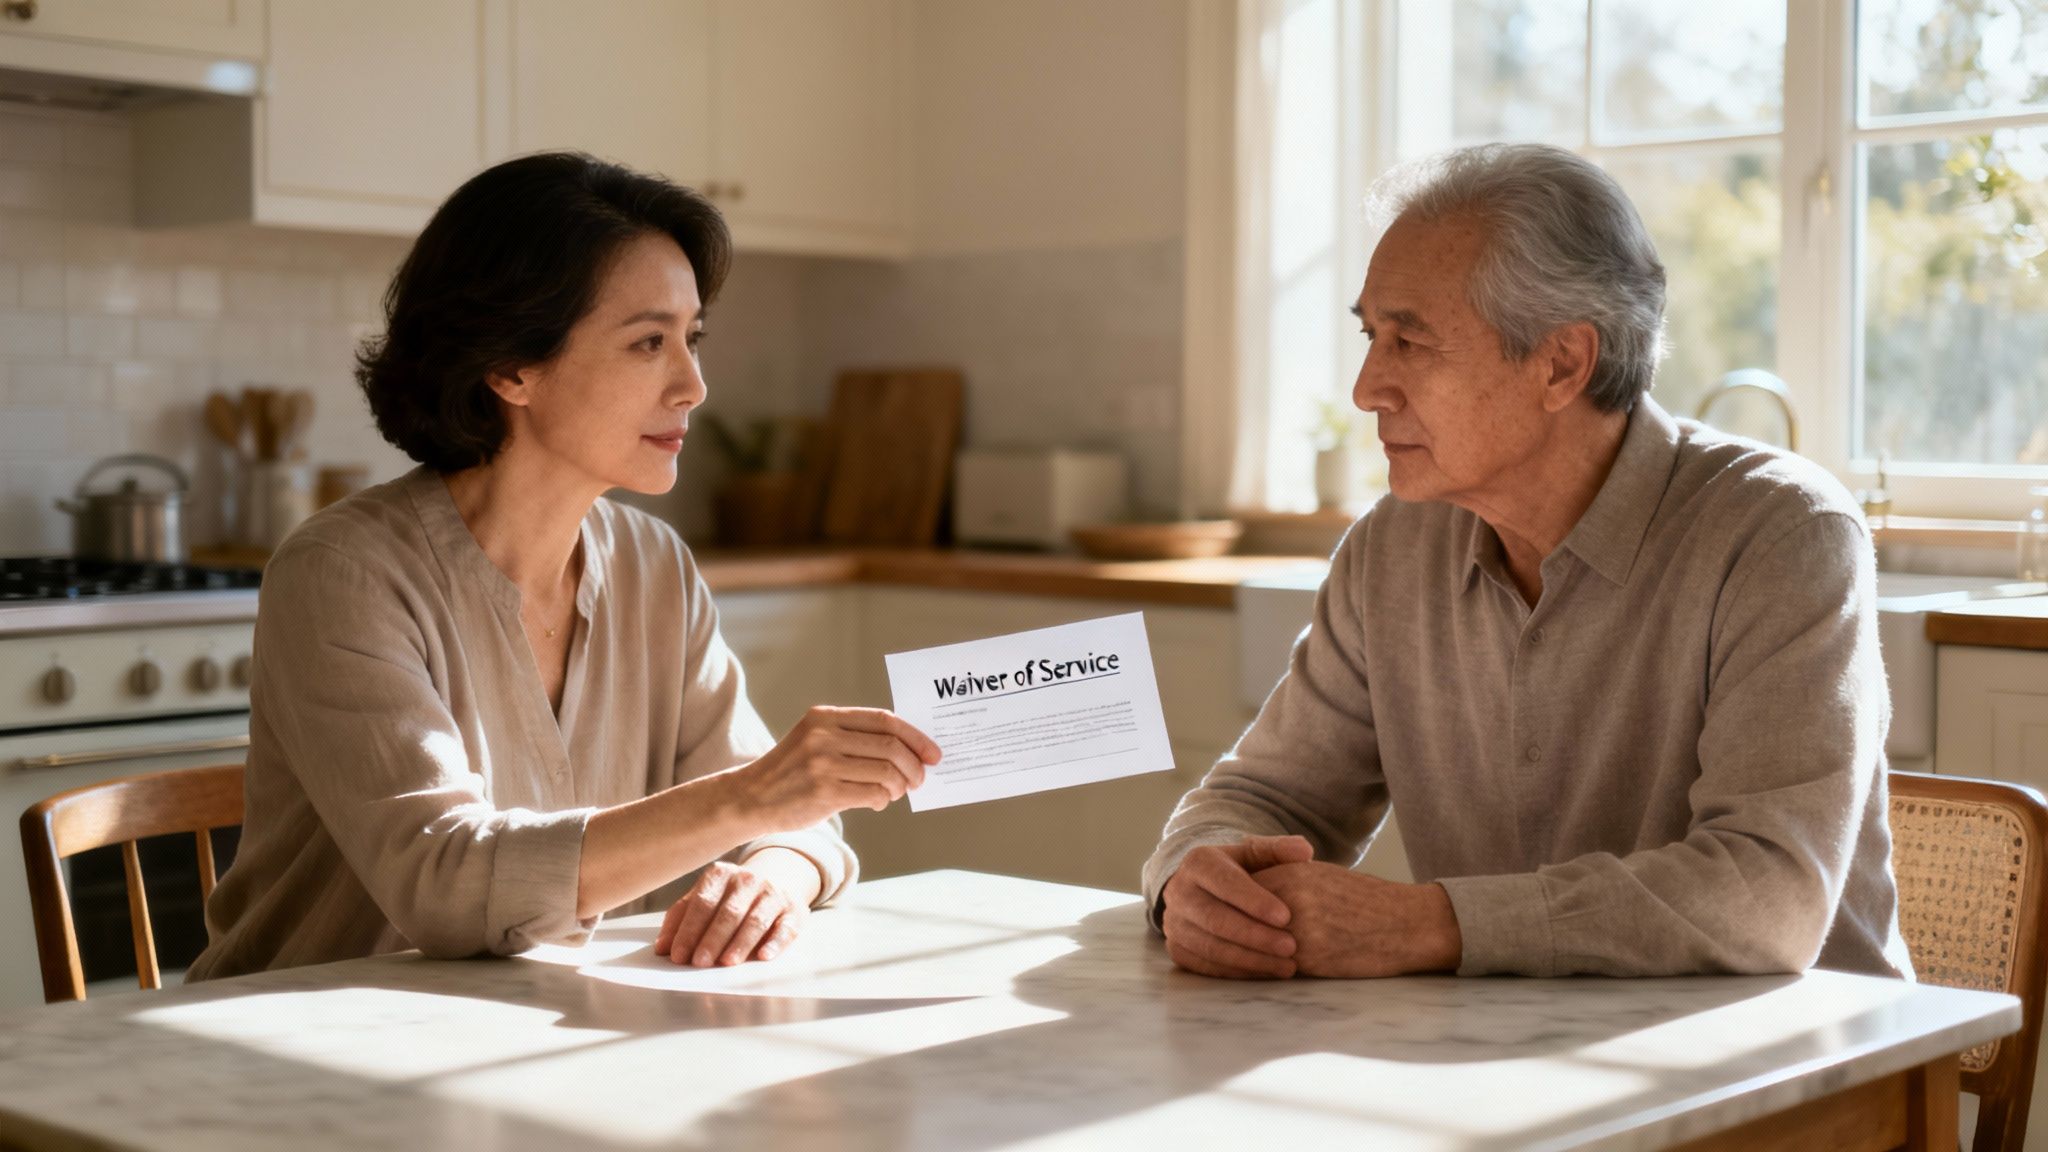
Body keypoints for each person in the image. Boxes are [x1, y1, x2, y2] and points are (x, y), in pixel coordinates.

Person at [1143, 142, 1913, 982]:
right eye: (1372, 335)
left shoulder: (1783, 534)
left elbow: (1768, 895)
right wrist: (1198, 875)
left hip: (1802, 1079)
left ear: (1561, 363)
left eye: (1411, 342)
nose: (1367, 387)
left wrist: (1437, 925)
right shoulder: (1391, 549)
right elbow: (1268, 798)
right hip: (1510, 1068)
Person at [189, 152, 939, 981]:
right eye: (648, 342)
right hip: (301, 1055)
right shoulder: (343, 573)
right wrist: (759, 795)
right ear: (513, 365)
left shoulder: (655, 564)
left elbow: (794, 826)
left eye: (691, 339)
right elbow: (446, 884)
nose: (692, 384)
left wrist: (767, 880)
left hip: (547, 1040)